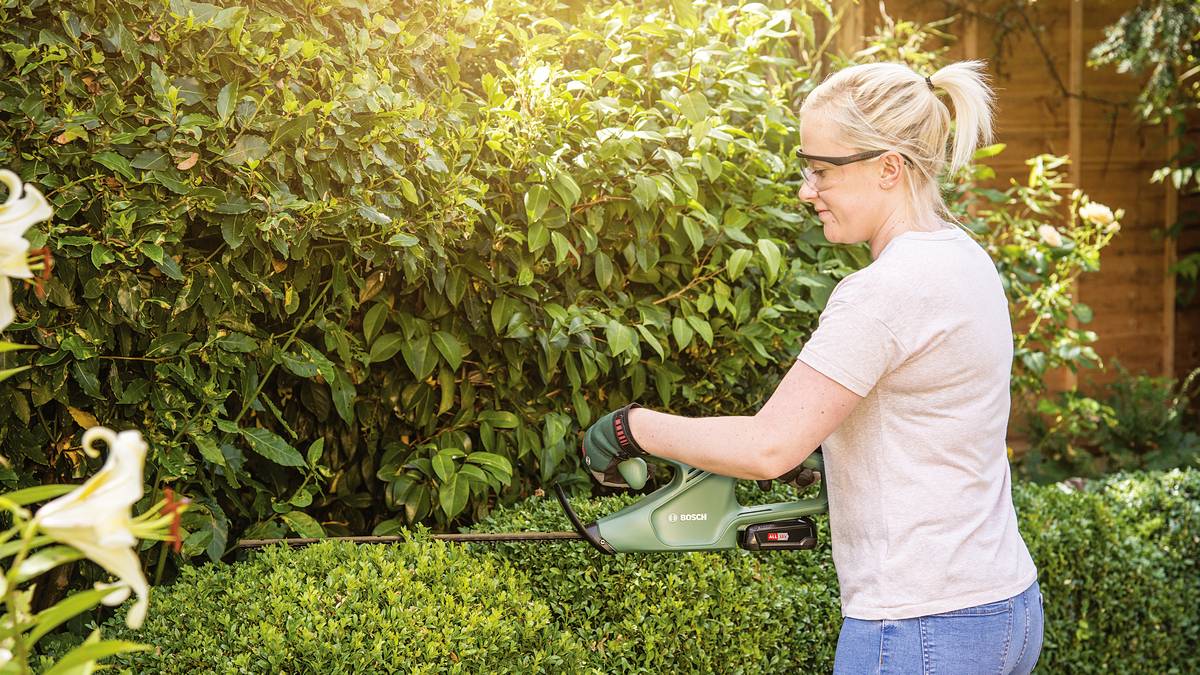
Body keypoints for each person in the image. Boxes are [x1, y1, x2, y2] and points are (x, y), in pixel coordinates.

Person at [581, 60, 1044, 674]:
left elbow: (769, 448)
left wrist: (631, 427)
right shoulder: (964, 258)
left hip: (918, 628)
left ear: (888, 167)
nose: (806, 190)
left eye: (822, 169)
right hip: (1002, 608)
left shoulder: (885, 289)